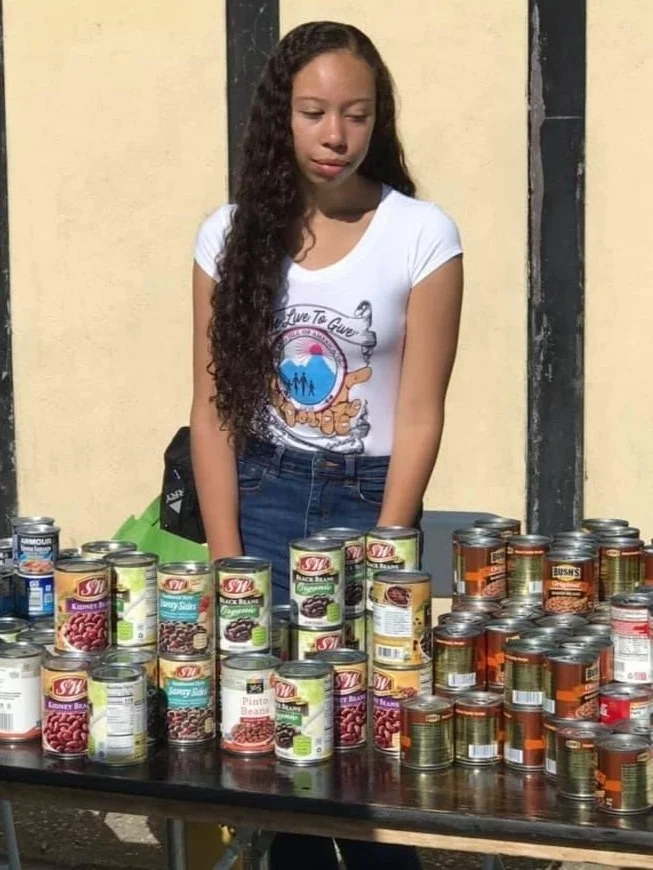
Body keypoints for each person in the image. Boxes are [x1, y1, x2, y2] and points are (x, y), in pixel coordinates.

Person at [190, 20, 463, 870]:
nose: (335, 135)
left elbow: (419, 411)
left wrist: (389, 543)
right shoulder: (227, 234)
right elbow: (211, 410)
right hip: (262, 500)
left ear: (379, 118)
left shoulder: (421, 233)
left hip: (370, 499)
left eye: (356, 113)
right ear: (282, 116)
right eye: (313, 113)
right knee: (283, 761)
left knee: (372, 753)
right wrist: (228, 561)